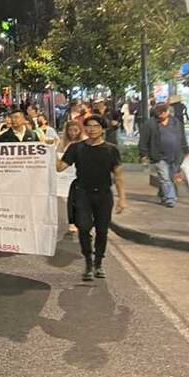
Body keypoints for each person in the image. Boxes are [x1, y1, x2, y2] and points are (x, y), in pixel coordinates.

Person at [56, 115, 127, 281]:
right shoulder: (76, 148)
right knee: (84, 228)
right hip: (82, 194)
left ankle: (99, 262)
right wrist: (49, 152)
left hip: (103, 195)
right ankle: (88, 261)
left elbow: (119, 176)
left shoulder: (111, 150)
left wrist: (122, 198)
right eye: (88, 126)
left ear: (102, 129)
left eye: (95, 126)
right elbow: (60, 168)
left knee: (102, 230)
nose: (91, 129)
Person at [139, 103, 189, 208]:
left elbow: (182, 137)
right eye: (160, 111)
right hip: (159, 156)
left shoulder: (176, 122)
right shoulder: (150, 124)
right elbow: (143, 140)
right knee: (165, 178)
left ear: (168, 111)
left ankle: (163, 195)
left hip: (175, 155)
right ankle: (170, 199)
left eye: (164, 111)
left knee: (169, 178)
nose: (162, 114)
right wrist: (143, 154)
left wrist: (186, 150)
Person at [58, 121, 87, 235]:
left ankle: (78, 221)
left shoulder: (84, 142)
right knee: (67, 200)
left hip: (79, 174)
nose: (73, 133)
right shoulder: (63, 141)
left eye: (75, 130)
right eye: (70, 130)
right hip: (65, 174)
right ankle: (70, 222)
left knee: (77, 200)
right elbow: (59, 156)